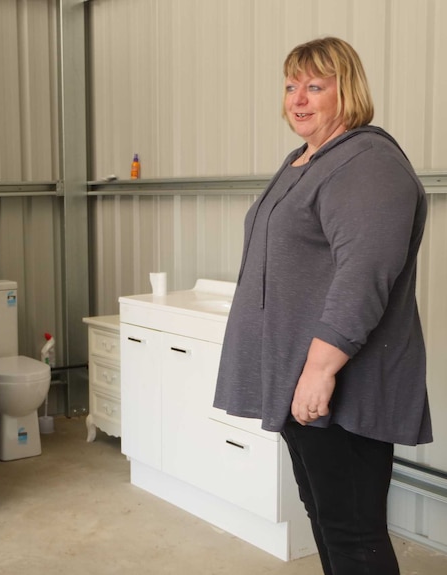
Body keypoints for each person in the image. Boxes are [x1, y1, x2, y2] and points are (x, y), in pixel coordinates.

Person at [213, 36, 431, 575]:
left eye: (315, 86)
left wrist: (319, 371)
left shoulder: (366, 162)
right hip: (299, 380)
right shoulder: (304, 161)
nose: (299, 99)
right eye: (291, 86)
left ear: (347, 91)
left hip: (340, 385)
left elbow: (365, 274)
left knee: (353, 532)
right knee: (325, 516)